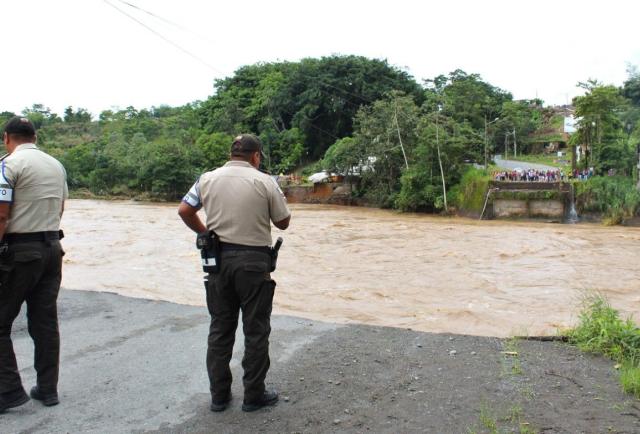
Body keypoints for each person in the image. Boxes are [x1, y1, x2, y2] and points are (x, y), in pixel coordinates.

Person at [178, 134, 290, 413]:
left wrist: (206, 233)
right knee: (256, 330)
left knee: (220, 329)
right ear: (255, 156)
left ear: (232, 154)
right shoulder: (265, 181)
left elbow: (184, 210)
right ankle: (253, 396)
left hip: (217, 262)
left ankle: (219, 397)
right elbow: (283, 222)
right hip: (253, 263)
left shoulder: (206, 178)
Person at [0, 117, 68, 413]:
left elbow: (2, 216)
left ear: (7, 138)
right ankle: (47, 389)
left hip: (19, 251)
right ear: (35, 136)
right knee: (44, 322)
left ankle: (9, 392)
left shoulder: (8, 165)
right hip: (52, 248)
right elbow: (62, 207)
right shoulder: (56, 165)